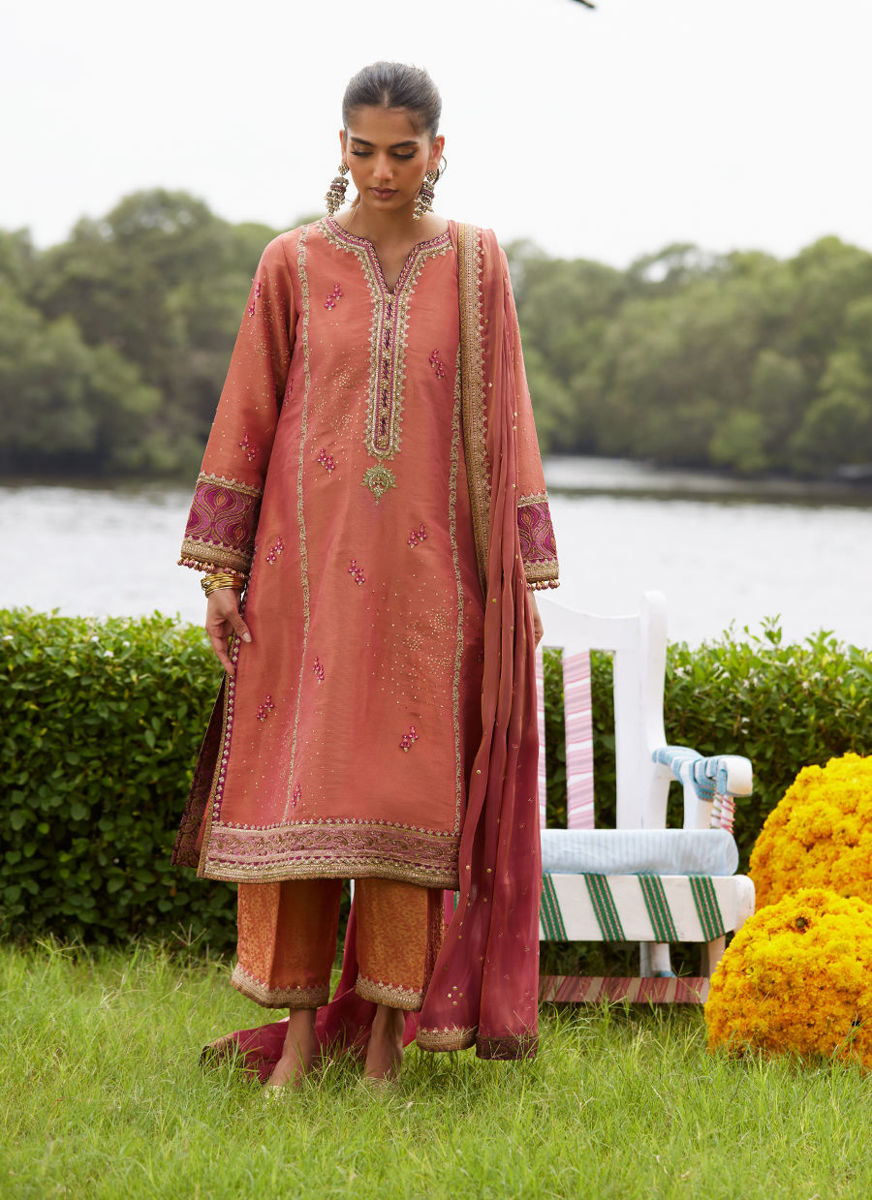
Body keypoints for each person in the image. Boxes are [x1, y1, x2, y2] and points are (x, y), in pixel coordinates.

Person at [173, 61, 559, 1088]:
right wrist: (219, 569)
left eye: (400, 151)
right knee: (299, 802)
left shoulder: (477, 267)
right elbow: (248, 412)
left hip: (430, 594)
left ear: (437, 153)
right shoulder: (290, 264)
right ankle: (298, 1042)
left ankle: (386, 1046)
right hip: (299, 583)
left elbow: (508, 414)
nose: (379, 170)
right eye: (360, 149)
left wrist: (517, 570)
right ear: (337, 146)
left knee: (405, 817)